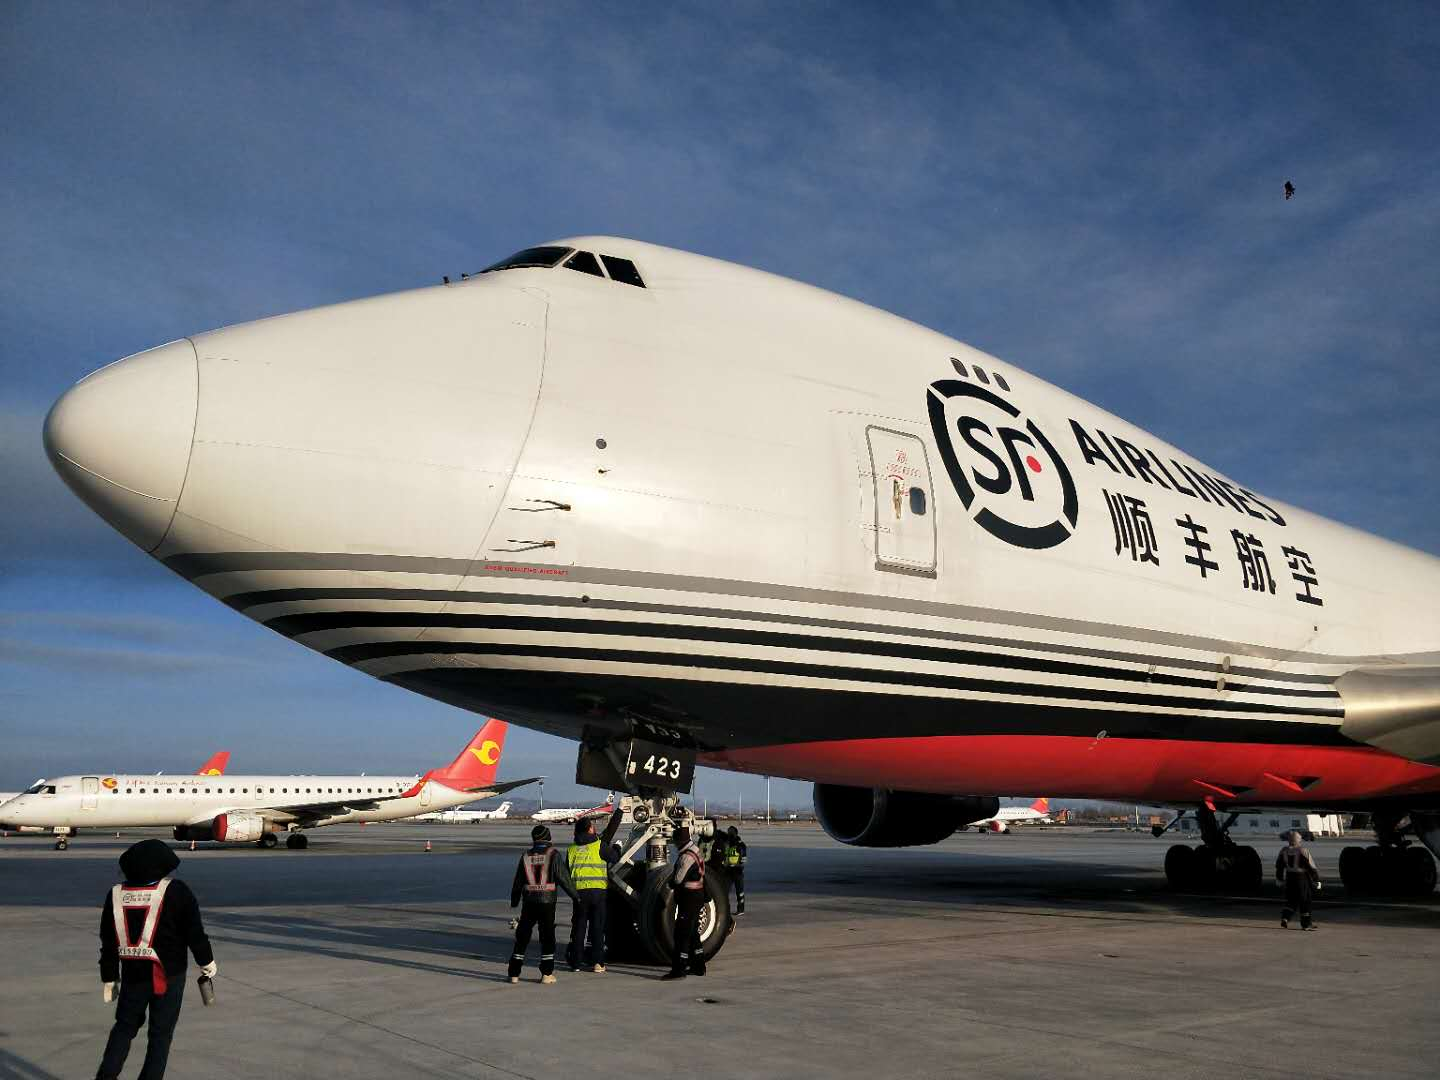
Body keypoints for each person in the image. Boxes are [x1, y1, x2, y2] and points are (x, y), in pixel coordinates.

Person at [97, 838, 216, 1080]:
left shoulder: (116, 894)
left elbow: (108, 942)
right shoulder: (176, 891)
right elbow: (194, 932)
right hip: (169, 976)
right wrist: (206, 961)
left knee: (124, 1028)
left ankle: (105, 1076)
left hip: (132, 975)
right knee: (160, 1035)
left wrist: (109, 977)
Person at [508, 825, 579, 983]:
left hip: (529, 902)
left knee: (522, 936)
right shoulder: (553, 854)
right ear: (548, 838)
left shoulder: (525, 855)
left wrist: (514, 900)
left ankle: (514, 973)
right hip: (547, 902)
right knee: (547, 937)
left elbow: (518, 881)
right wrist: (576, 897)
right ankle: (547, 973)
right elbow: (563, 878)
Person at [566, 804, 625, 972]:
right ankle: (598, 963)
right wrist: (618, 847)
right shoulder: (598, 846)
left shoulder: (571, 850)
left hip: (578, 894)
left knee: (579, 928)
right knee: (598, 927)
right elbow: (614, 857)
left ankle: (576, 963)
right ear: (590, 829)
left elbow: (566, 872)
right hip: (598, 893)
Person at [661, 826, 708, 980]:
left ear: (679, 841)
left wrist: (669, 884)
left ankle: (678, 969)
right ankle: (699, 966)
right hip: (699, 896)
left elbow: (677, 879)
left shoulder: (686, 857)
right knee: (694, 933)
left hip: (689, 898)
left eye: (675, 842)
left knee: (681, 935)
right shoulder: (696, 850)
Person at [1276, 830, 1321, 930]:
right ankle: (1306, 924)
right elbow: (1311, 867)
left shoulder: (1283, 850)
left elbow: (1279, 866)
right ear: (1299, 840)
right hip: (1301, 879)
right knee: (1305, 901)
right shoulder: (1302, 851)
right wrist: (1317, 880)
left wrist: (1279, 879)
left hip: (1289, 877)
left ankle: (1285, 918)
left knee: (1291, 900)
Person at [718, 825, 747, 915]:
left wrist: (735, 865)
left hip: (737, 871)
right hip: (727, 871)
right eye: (728, 831)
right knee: (724, 891)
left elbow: (743, 860)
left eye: (731, 831)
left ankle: (741, 909)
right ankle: (725, 908)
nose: (729, 833)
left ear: (735, 833)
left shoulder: (741, 845)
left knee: (740, 891)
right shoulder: (726, 843)